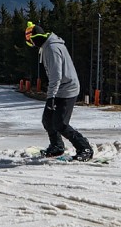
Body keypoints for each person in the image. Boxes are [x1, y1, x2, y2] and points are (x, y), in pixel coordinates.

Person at [25, 21, 94, 161]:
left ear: (35, 38)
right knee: (47, 120)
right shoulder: (47, 46)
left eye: (31, 42)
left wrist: (51, 97)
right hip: (60, 89)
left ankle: (84, 148)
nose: (32, 45)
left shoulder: (52, 48)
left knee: (60, 123)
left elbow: (56, 75)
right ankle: (57, 146)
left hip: (67, 89)